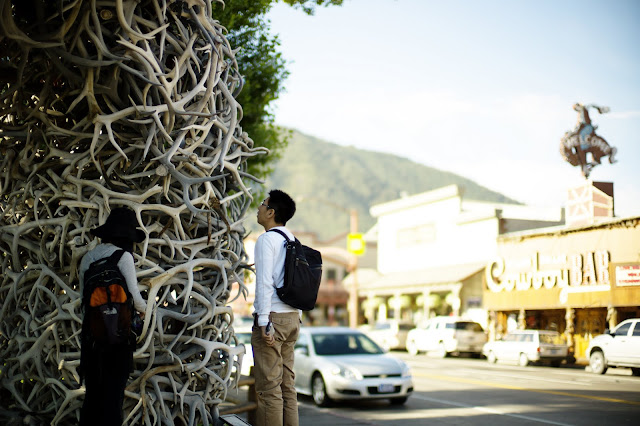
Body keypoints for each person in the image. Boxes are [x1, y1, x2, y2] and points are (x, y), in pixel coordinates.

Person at [78, 207, 147, 426]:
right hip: (118, 339)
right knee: (113, 400)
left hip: (92, 339)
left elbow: (83, 300)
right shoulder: (123, 257)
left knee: (92, 399)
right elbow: (135, 297)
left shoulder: (87, 258)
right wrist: (145, 310)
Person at [252, 190, 301, 426]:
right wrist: (297, 316)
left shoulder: (267, 240)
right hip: (292, 318)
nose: (259, 208)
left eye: (263, 204)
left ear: (271, 212)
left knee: (269, 390)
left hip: (272, 319)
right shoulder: (293, 240)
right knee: (287, 386)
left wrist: (264, 321)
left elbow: (264, 282)